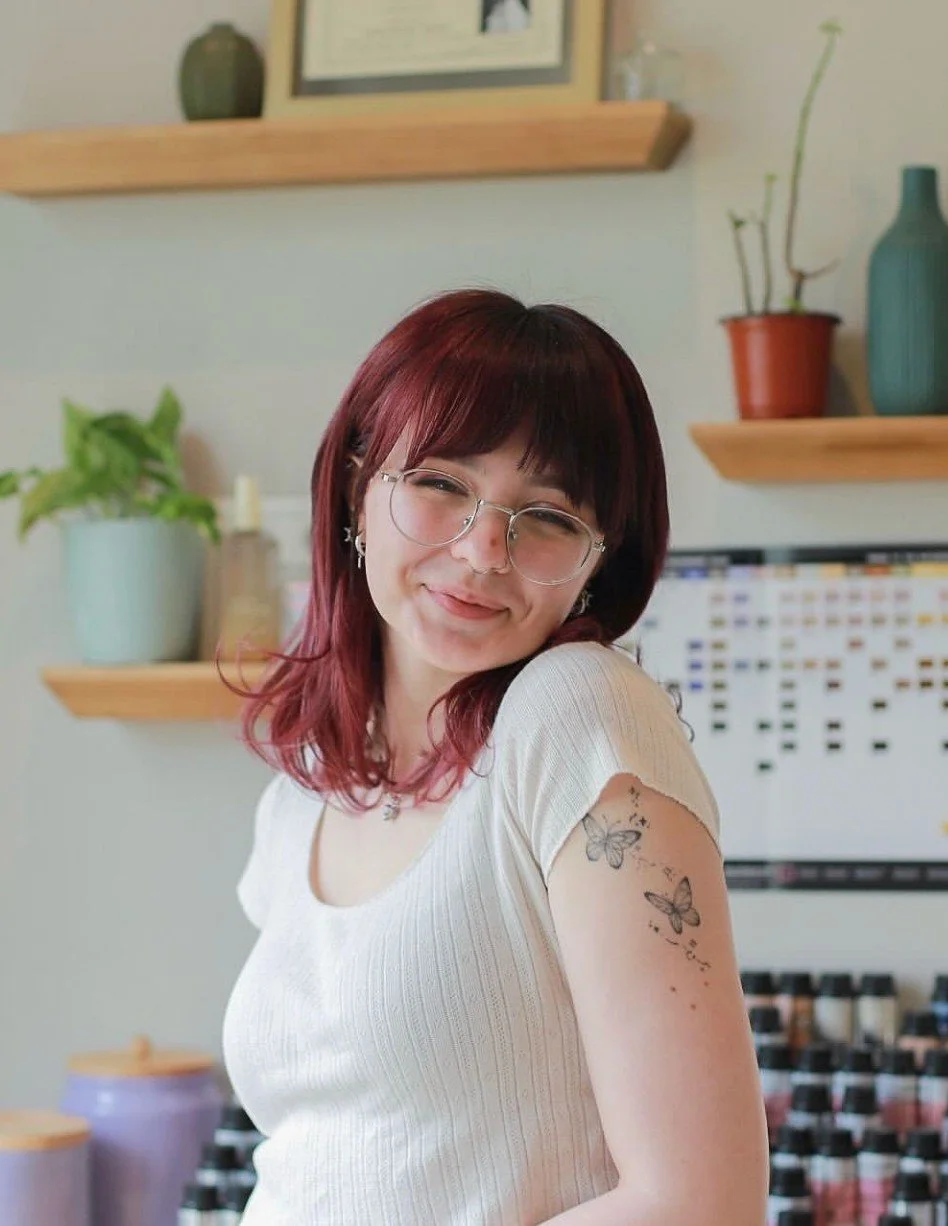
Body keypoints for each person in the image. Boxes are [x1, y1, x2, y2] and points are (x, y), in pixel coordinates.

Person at [222, 288, 768, 1225]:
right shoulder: (304, 793)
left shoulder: (574, 715)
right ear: (358, 484)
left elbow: (700, 1202)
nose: (482, 550)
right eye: (440, 484)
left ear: (600, 558)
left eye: (548, 514)